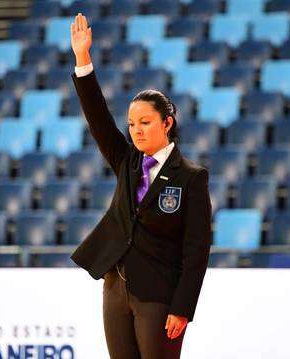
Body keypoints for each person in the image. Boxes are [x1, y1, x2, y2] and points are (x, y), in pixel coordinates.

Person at [69, 13, 212, 359]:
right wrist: (83, 60)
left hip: (159, 295)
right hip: (115, 289)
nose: (136, 130)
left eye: (145, 122)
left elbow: (197, 249)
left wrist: (183, 307)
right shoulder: (126, 160)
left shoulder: (191, 177)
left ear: (167, 122)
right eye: (132, 123)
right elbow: (99, 119)